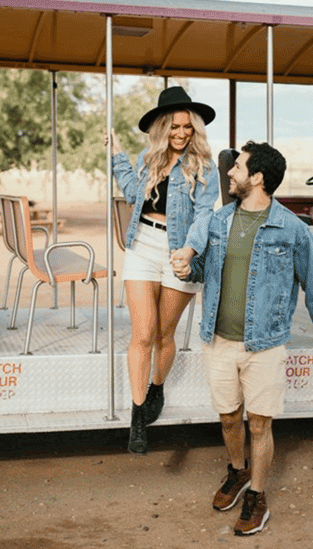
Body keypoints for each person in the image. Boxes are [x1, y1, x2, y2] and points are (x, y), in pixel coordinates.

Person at [171, 140, 313, 536]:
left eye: (238, 167)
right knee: (229, 418)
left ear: (257, 177)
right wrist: (185, 270)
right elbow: (203, 273)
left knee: (260, 425)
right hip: (219, 341)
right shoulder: (218, 221)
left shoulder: (293, 229)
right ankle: (237, 470)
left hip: (266, 343)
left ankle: (256, 495)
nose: (230, 172)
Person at [107, 85, 219, 455]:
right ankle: (138, 417)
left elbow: (205, 214)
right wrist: (118, 155)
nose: (181, 133)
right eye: (174, 127)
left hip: (179, 252)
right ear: (162, 127)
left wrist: (189, 250)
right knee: (143, 333)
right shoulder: (147, 159)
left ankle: (157, 386)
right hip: (142, 246)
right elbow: (129, 191)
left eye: (187, 127)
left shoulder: (204, 166)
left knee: (164, 336)